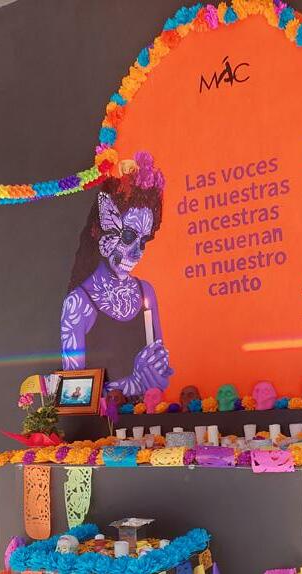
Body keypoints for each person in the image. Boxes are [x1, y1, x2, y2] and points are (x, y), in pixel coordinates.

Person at [61, 152, 173, 396]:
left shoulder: (146, 292)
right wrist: (133, 383)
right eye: (129, 236)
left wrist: (157, 375)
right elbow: (74, 394)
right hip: (104, 420)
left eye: (143, 241)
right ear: (99, 230)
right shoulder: (78, 304)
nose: (137, 252)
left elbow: (160, 382)